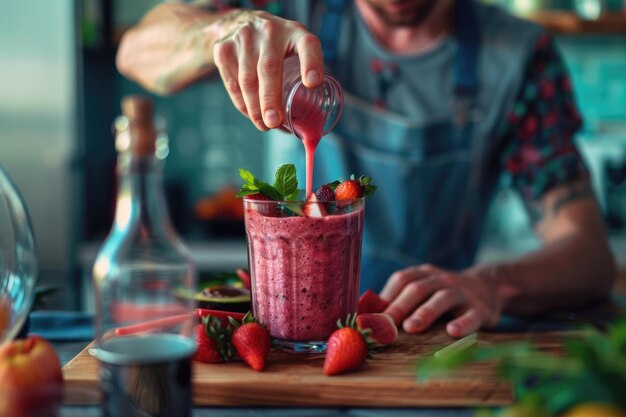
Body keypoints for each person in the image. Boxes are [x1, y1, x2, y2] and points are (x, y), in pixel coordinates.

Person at [116, 0, 617, 338]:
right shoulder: (290, 11)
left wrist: (492, 284)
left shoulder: (520, 57)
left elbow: (590, 257)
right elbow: (136, 51)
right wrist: (220, 30)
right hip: (292, 339)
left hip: (420, 339)